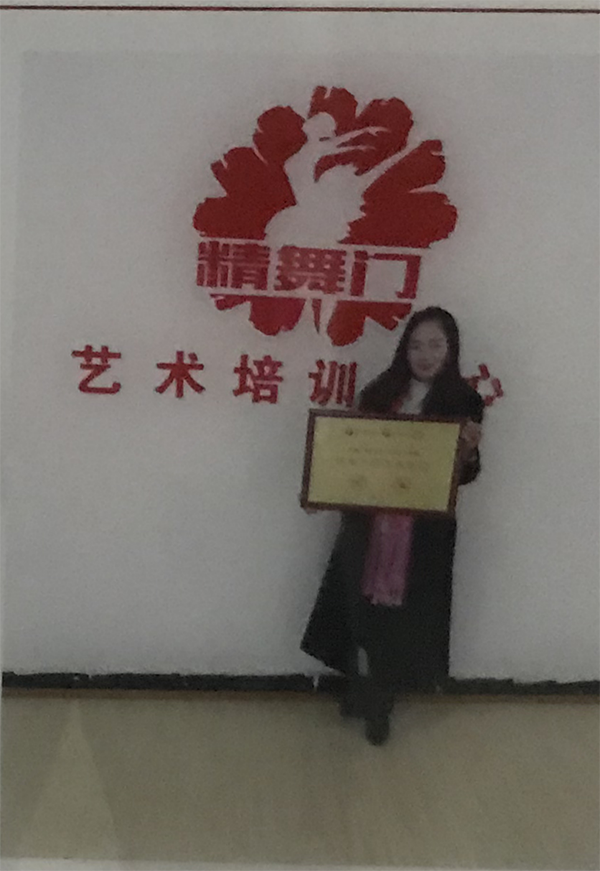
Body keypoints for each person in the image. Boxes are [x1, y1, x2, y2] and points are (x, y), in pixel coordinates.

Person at [301, 307, 484, 746]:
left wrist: (468, 451)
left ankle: (380, 698)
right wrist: (321, 489)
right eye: (416, 345)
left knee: (403, 614)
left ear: (451, 349)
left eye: (436, 345)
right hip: (369, 523)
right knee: (361, 607)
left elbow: (466, 474)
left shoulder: (464, 401)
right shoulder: (379, 391)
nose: (426, 354)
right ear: (404, 349)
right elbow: (352, 454)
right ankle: (360, 684)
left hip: (422, 531)